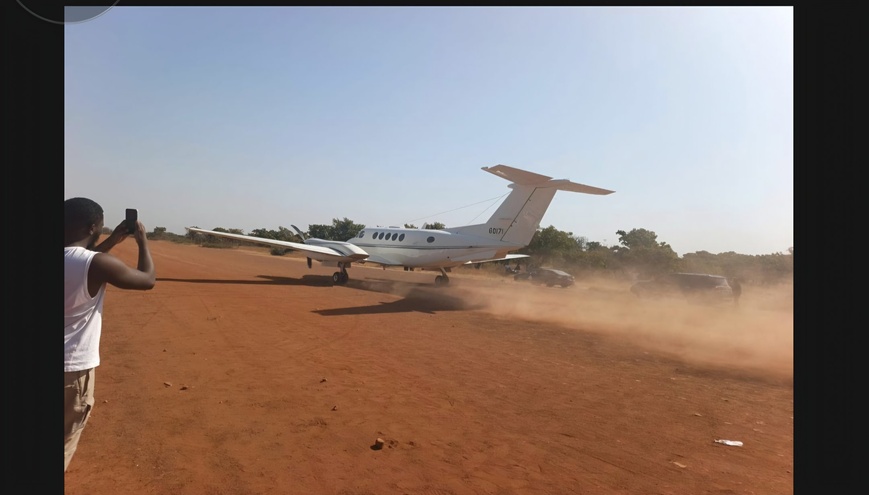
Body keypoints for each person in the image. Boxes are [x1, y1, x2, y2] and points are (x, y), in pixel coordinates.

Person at [64, 198, 156, 472]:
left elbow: (81, 260)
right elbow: (147, 279)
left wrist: (113, 240)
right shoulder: (97, 264)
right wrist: (143, 242)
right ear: (93, 227)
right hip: (72, 368)